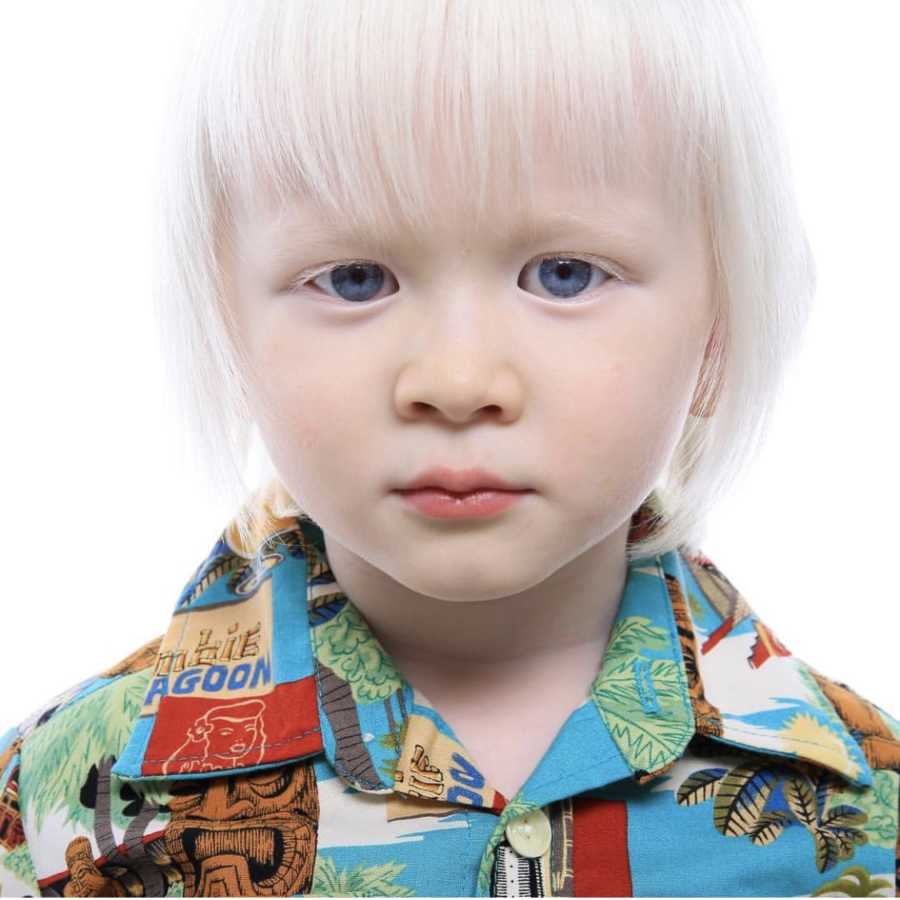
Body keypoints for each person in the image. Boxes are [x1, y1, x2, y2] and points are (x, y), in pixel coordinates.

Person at [2, 1, 898, 896]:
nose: (460, 379)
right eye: (356, 279)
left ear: (719, 328)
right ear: (226, 323)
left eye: (565, 274)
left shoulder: (870, 821)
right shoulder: (51, 814)